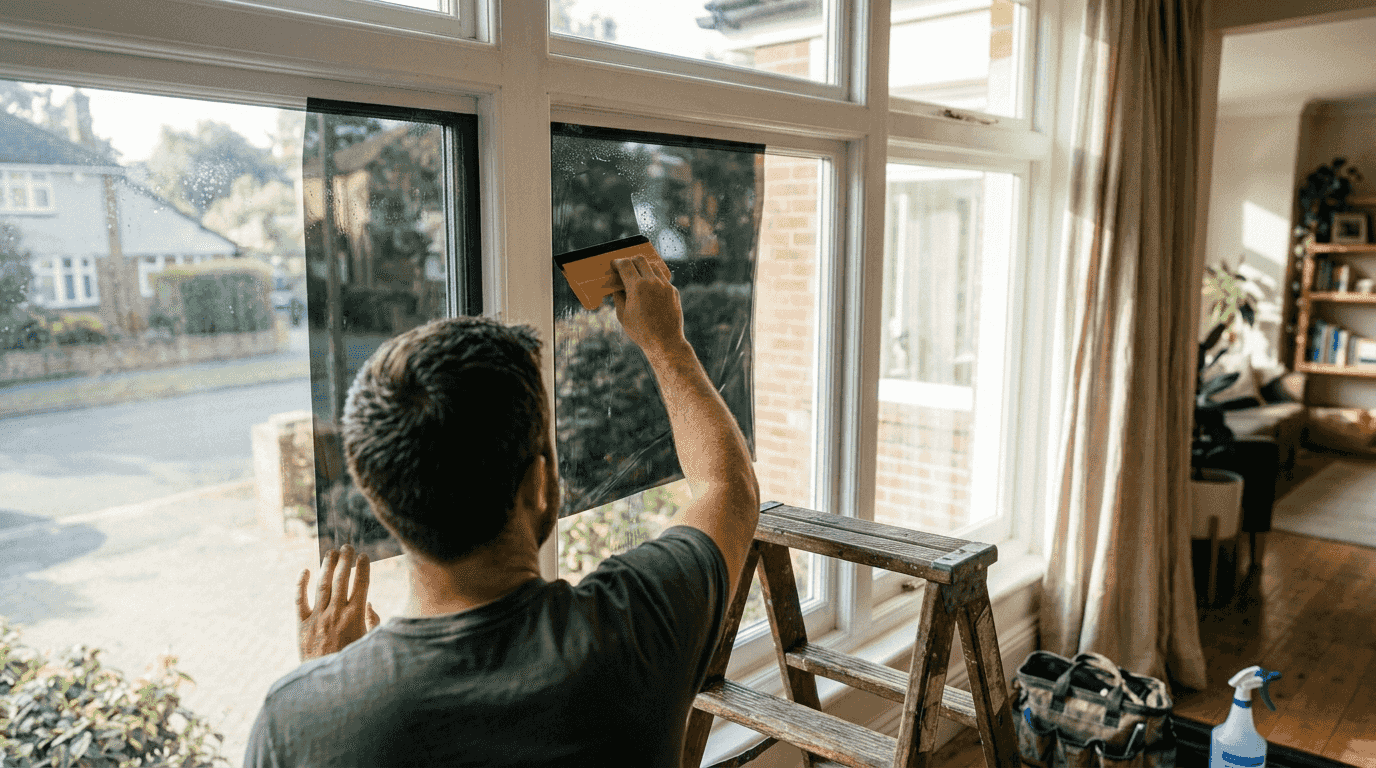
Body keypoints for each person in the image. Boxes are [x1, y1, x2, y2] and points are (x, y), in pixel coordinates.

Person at [244, 253, 760, 767]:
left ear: (384, 504)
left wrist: (328, 689)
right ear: (539, 484)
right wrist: (666, 344)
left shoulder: (291, 723)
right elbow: (728, 489)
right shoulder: (637, 628)